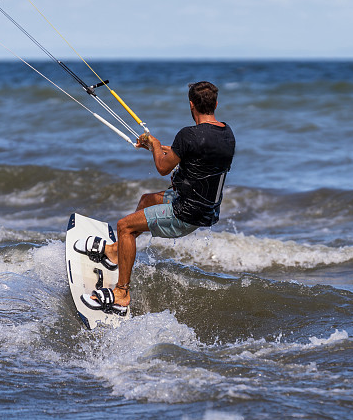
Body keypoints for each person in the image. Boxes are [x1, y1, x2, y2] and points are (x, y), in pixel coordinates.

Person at [74, 81, 235, 315]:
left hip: (185, 213)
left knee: (124, 226)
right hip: (206, 210)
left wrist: (157, 145)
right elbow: (189, 152)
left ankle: (122, 292)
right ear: (216, 104)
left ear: (191, 105)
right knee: (146, 200)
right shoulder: (226, 134)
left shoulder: (188, 135)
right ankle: (117, 251)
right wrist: (153, 146)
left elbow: (162, 167)